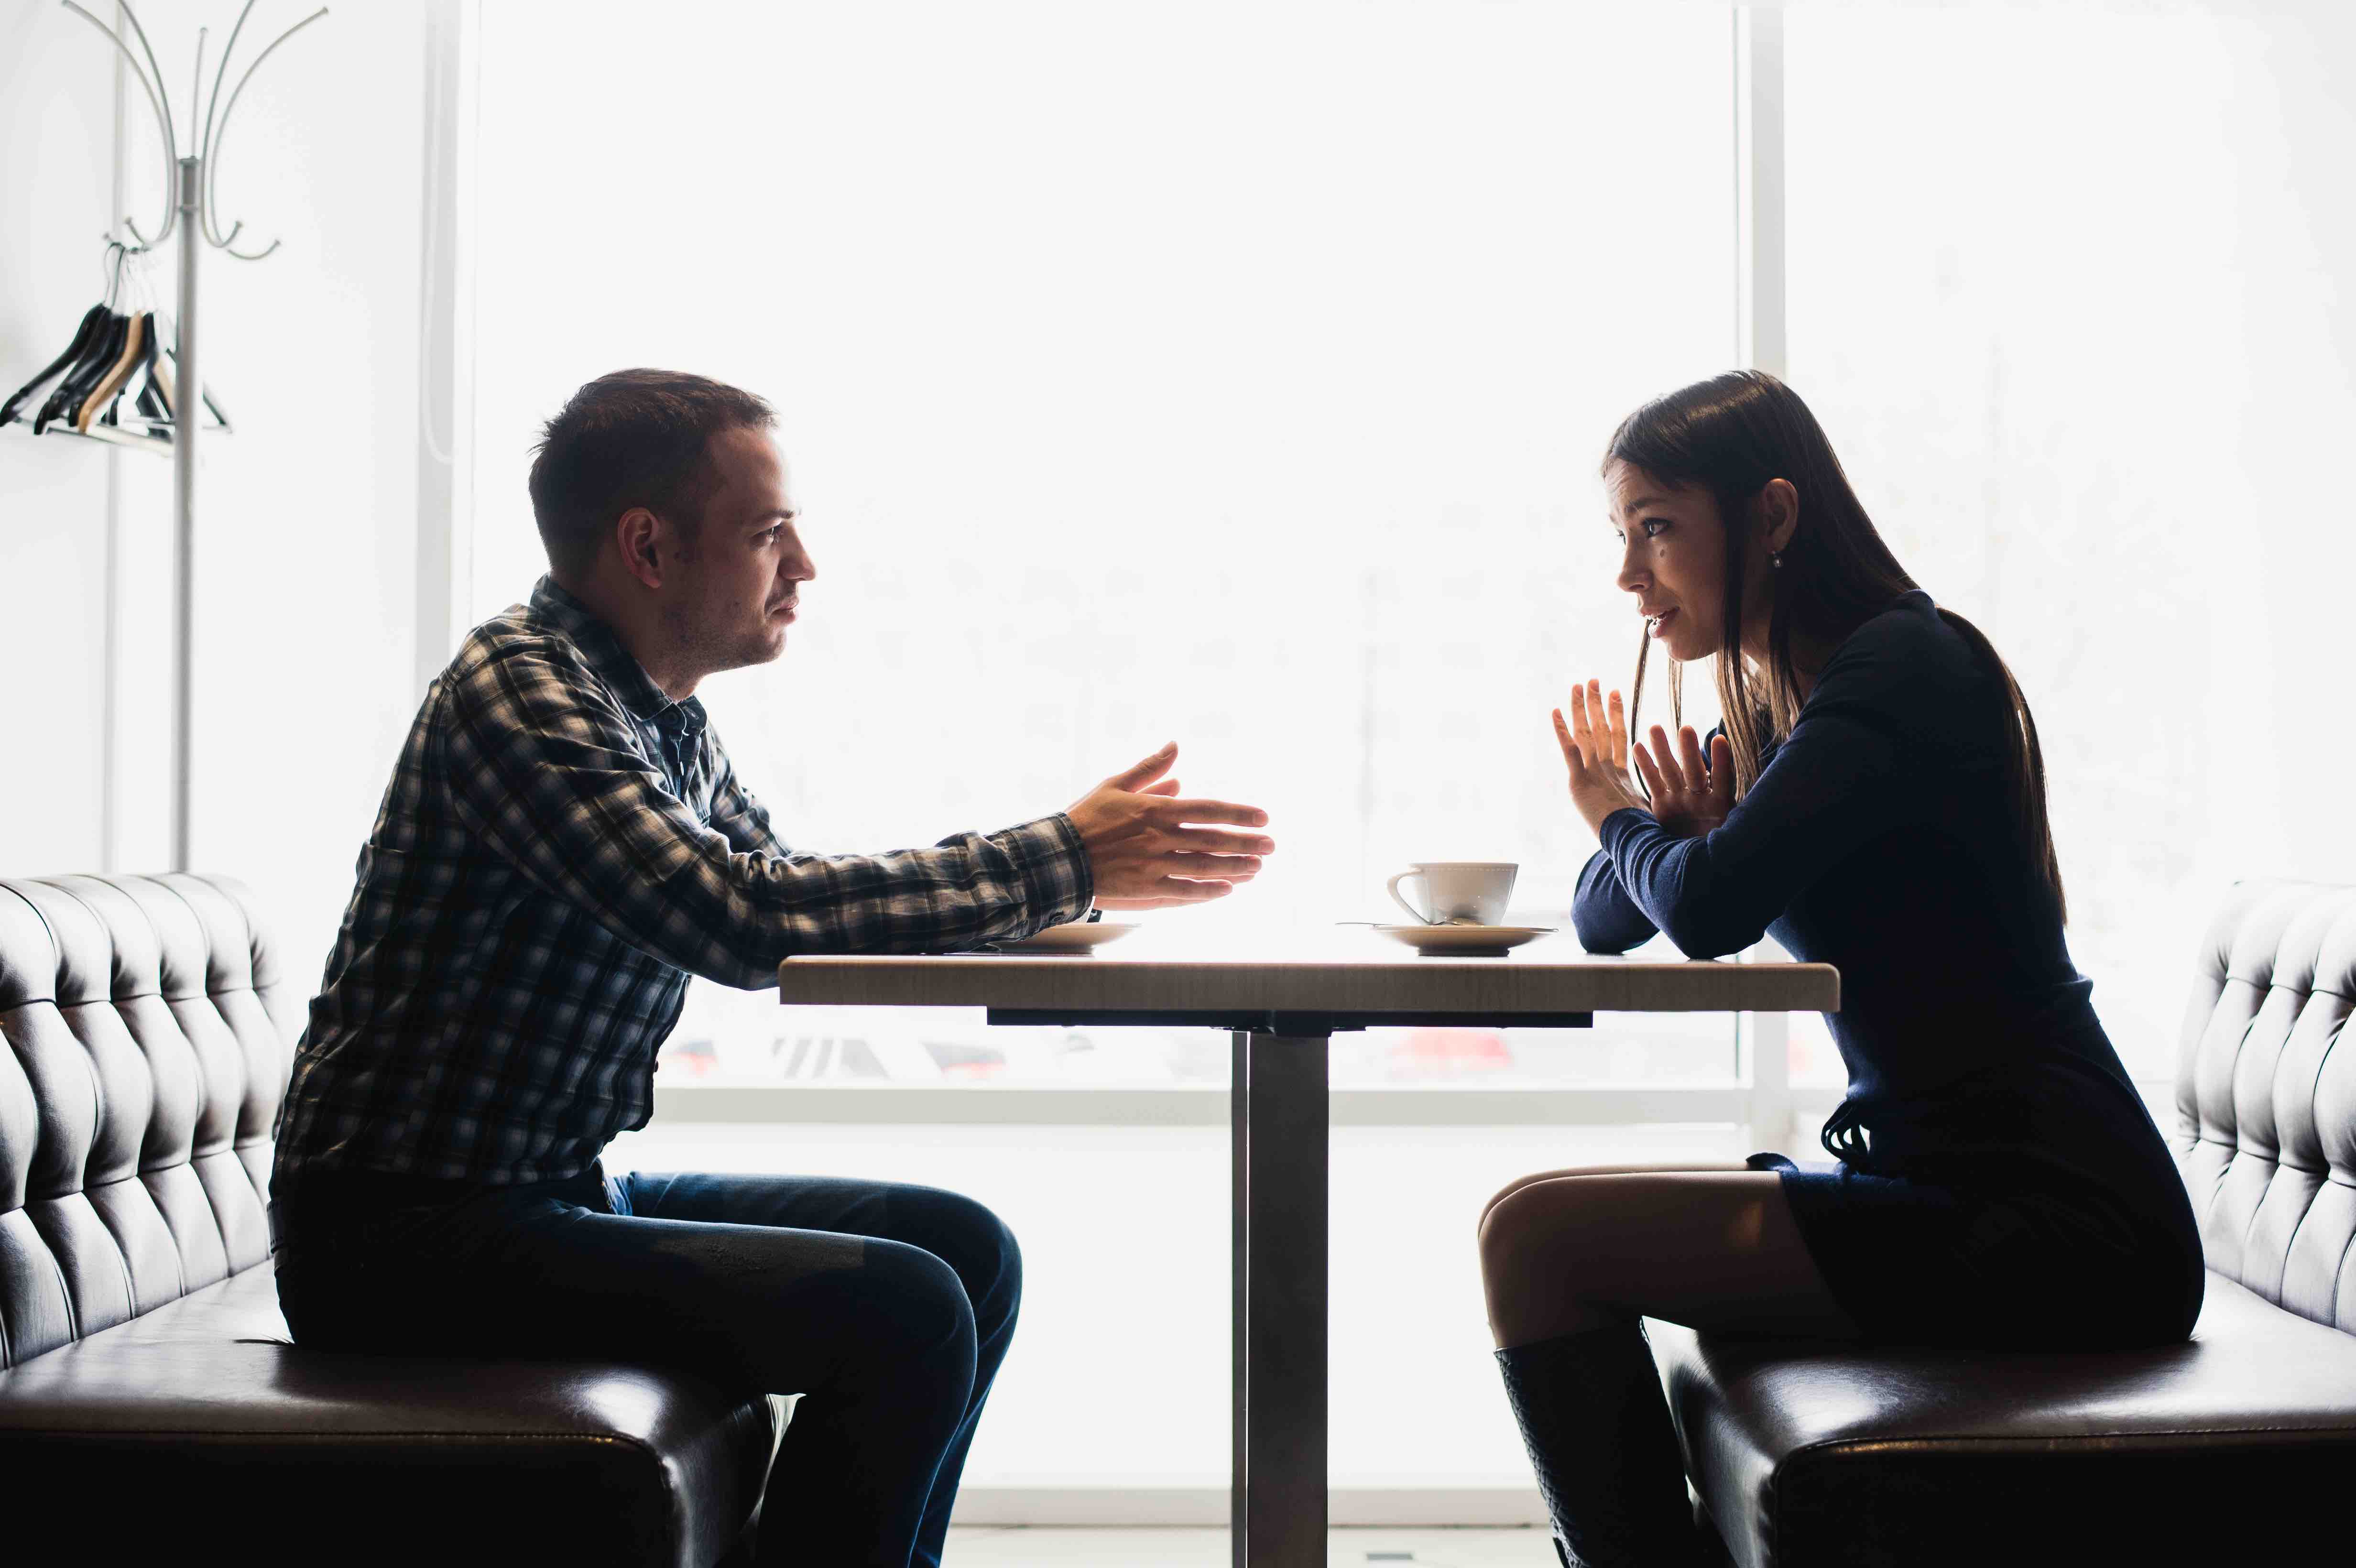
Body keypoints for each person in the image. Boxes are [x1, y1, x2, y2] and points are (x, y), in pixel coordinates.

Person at [269, 368, 1276, 1568]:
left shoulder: (656, 712)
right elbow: (740, 917)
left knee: (968, 1250)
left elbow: (793, 890)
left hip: (547, 1189)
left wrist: (1069, 881)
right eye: (767, 532)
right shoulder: (522, 693)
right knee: (904, 1313)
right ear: (648, 546)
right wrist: (1057, 856)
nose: (804, 565)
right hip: (403, 1238)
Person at [1476, 370, 2201, 1568]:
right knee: (1530, 1230)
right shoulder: (1794, 702)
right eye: (1621, 534)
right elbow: (1613, 917)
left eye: (1655, 528)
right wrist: (1654, 829)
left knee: (1535, 1239)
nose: (1627, 575)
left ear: (1770, 516)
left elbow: (1700, 909)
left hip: (2061, 1218)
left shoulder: (1901, 671)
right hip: (1959, 1185)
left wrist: (1623, 815)